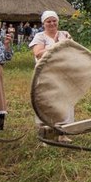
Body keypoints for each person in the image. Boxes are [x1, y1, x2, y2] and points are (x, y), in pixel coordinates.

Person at [29, 10, 73, 142]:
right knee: (47, 102)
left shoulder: (65, 34)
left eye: (54, 21)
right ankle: (46, 135)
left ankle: (62, 133)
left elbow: (72, 50)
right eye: (48, 21)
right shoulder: (40, 36)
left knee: (64, 102)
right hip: (45, 74)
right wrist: (58, 46)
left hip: (63, 72)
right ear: (43, 23)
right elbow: (38, 54)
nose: (52, 23)